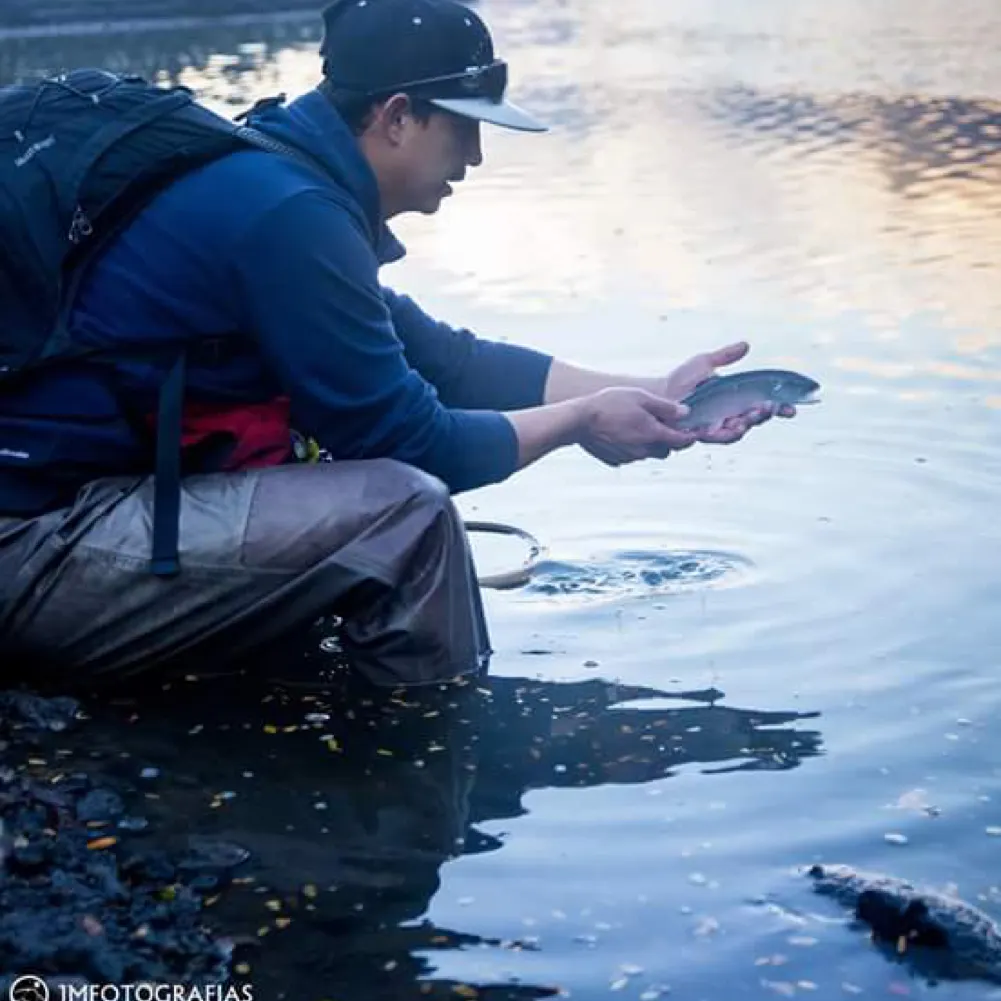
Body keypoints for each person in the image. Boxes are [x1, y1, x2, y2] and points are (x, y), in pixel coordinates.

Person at [0, 0, 790, 691]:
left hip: (77, 520)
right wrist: (582, 422)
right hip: (34, 550)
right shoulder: (288, 216)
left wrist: (659, 392)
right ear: (398, 116)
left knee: (349, 478)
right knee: (406, 514)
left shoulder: (270, 176)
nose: (475, 160)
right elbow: (412, 442)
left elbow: (443, 359)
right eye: (466, 128)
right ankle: (423, 763)